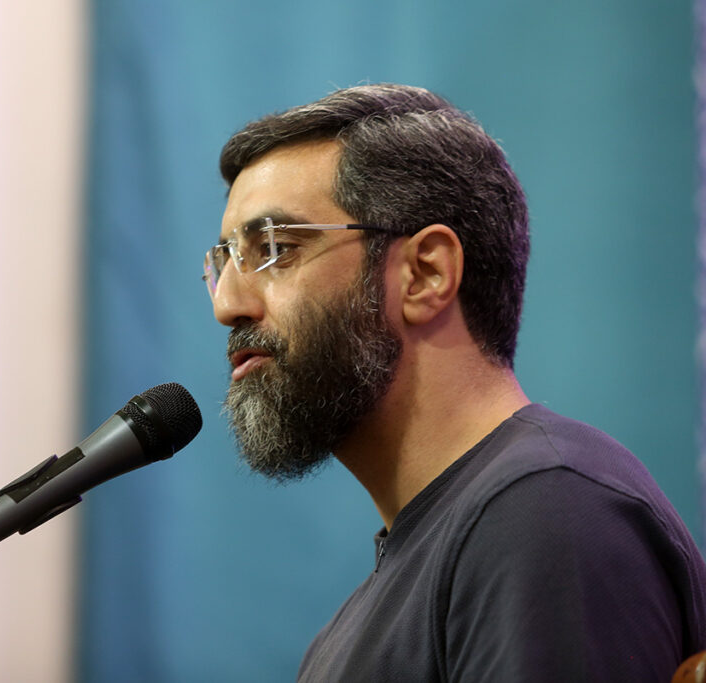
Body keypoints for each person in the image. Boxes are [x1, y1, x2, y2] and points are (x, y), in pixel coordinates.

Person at [205, 84, 706, 681]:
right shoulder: (360, 620)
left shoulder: (547, 514)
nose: (227, 305)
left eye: (275, 249)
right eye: (223, 262)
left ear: (425, 274)